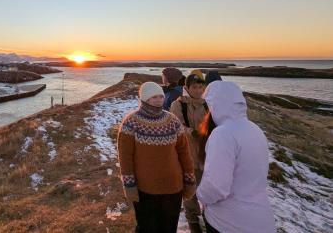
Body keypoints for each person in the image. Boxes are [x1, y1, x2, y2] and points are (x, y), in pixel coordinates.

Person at [117, 82, 196, 233]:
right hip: (145, 190)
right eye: (154, 97)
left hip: (173, 188)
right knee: (147, 228)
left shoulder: (172, 121)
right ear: (144, 99)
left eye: (160, 96)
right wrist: (129, 185)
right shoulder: (131, 123)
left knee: (168, 228)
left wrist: (190, 179)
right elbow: (125, 157)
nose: (159, 100)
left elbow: (184, 153)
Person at [197, 81, 275, 233]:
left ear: (216, 104)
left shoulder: (223, 134)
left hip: (228, 221)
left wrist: (200, 195)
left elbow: (216, 187)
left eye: (209, 105)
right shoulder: (255, 129)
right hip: (261, 218)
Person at [170, 73, 209, 233]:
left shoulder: (208, 104)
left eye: (201, 87)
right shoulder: (178, 105)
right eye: (195, 87)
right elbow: (176, 126)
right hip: (187, 155)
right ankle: (193, 221)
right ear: (187, 88)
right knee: (189, 190)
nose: (198, 90)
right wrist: (192, 132)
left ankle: (209, 217)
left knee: (208, 188)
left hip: (206, 155)